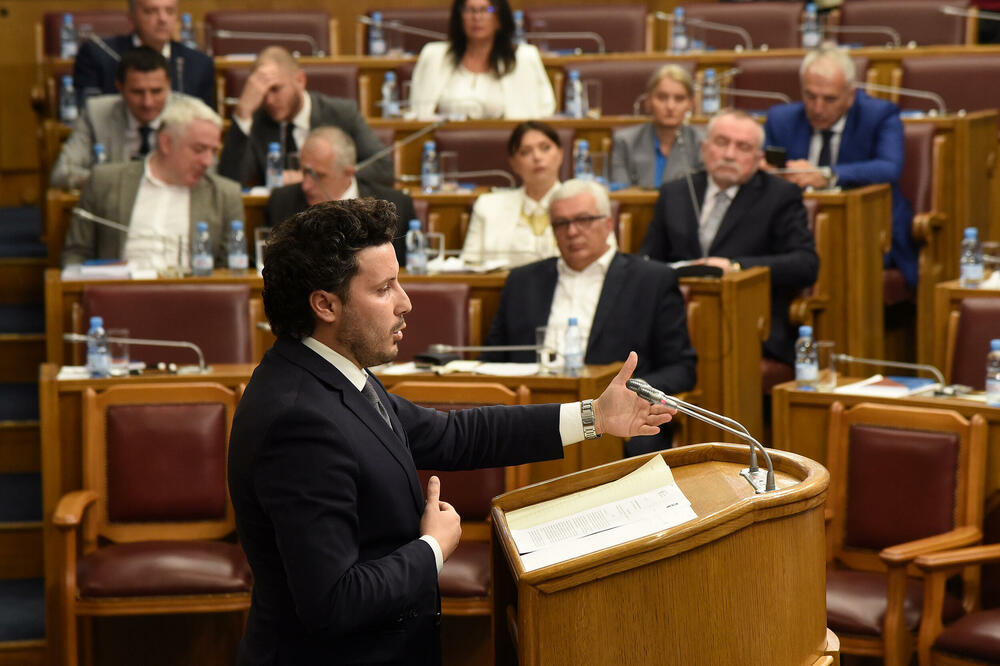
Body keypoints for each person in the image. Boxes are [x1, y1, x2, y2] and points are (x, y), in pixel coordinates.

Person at [227, 197, 673, 665]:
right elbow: (334, 601)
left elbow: (455, 435)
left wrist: (594, 416)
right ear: (325, 305)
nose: (405, 303)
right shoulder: (298, 419)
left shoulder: (333, 373)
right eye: (384, 288)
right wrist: (433, 548)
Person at [482, 179, 696, 456]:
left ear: (608, 224)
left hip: (616, 419)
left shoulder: (651, 280)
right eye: (561, 223)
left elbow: (681, 368)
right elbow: (493, 359)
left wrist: (635, 393)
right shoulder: (522, 282)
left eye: (583, 220)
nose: (572, 232)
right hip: (533, 415)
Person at [640, 110, 818, 366]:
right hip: (675, 319)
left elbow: (805, 264)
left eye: (743, 147)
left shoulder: (780, 196)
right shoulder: (675, 192)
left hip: (749, 321)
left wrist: (735, 267)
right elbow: (648, 260)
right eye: (721, 142)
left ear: (758, 158)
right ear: (704, 148)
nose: (729, 154)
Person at [763, 44, 917, 288]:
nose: (818, 108)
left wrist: (827, 175)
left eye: (829, 99)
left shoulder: (879, 115)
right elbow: (761, 166)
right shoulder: (781, 119)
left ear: (851, 95)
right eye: (810, 96)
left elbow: (889, 167)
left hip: (865, 229)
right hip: (796, 231)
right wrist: (774, 173)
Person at [62, 96, 243, 271]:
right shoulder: (106, 181)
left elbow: (231, 270)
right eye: (199, 149)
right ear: (166, 143)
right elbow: (76, 254)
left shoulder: (225, 195)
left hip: (190, 288)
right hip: (120, 288)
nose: (208, 161)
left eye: (214, 151)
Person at [217, 46, 392, 189]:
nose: (269, 100)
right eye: (263, 92)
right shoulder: (257, 121)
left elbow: (383, 169)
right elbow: (230, 182)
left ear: (300, 80)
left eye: (276, 89)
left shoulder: (341, 113)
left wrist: (313, 177)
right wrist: (243, 114)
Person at [266, 126, 416, 267]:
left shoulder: (398, 205)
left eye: (319, 176)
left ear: (348, 173)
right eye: (304, 172)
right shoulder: (282, 202)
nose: (306, 185)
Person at [52, 46, 196, 190]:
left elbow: (204, 175)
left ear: (169, 86)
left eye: (156, 91)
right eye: (137, 92)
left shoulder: (191, 115)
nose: (148, 102)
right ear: (120, 88)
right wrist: (119, 181)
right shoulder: (96, 113)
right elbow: (62, 173)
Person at [408, 0, 555, 120]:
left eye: (485, 10)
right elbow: (417, 114)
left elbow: (545, 110)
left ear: (500, 17)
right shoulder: (434, 56)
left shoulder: (524, 58)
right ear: (459, 17)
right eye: (470, 10)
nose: (477, 17)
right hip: (447, 141)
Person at [72, 0, 215, 108]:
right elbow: (88, 113)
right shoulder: (100, 54)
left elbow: (207, 121)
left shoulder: (199, 63)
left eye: (170, 11)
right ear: (131, 17)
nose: (163, 19)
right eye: (151, 11)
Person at [459, 121, 564, 267]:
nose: (537, 157)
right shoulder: (488, 206)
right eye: (525, 152)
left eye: (545, 148)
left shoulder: (584, 202)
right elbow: (469, 264)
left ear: (560, 154)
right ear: (514, 163)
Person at [610, 64, 704, 188]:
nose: (670, 106)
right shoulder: (625, 142)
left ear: (691, 104)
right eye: (662, 97)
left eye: (679, 99)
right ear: (648, 101)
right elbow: (620, 192)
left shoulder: (702, 143)